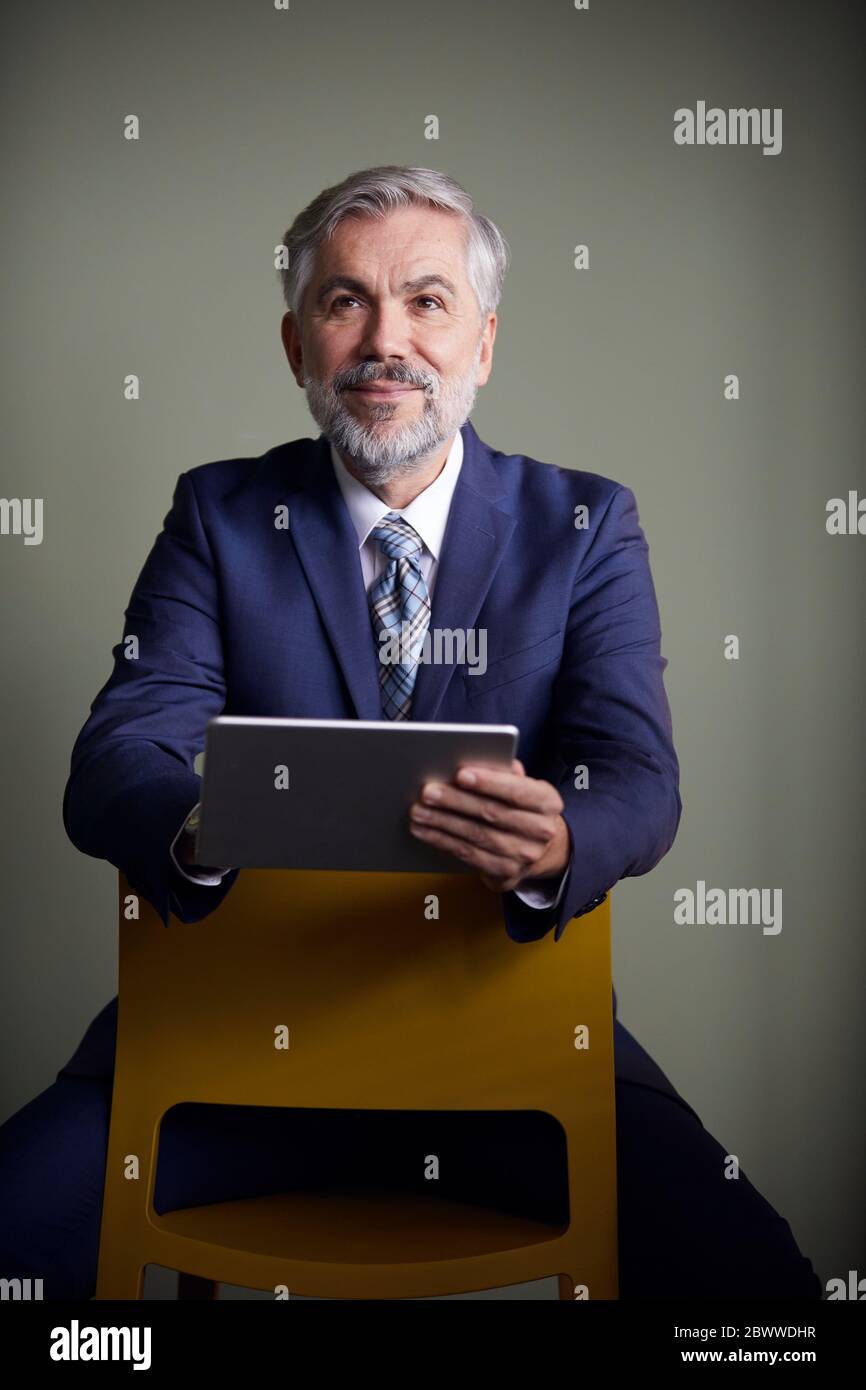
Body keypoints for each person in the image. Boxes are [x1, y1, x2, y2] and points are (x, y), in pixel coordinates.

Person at [0, 166, 822, 1299]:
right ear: (297, 344)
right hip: (228, 1053)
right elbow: (113, 760)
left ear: (482, 341)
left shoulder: (584, 526)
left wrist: (559, 843)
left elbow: (636, 775)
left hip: (509, 1054)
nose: (386, 341)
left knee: (757, 1289)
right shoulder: (219, 514)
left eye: (426, 302)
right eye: (345, 303)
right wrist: (202, 827)